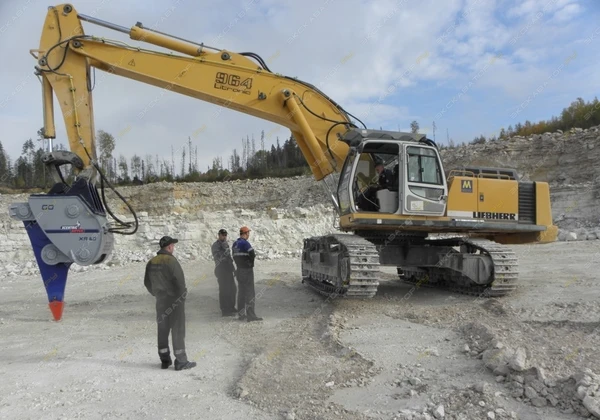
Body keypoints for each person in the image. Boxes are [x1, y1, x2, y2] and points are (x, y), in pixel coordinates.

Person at [144, 235, 197, 371]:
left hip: (160, 302)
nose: (173, 247)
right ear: (169, 247)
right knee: (178, 330)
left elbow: (147, 283)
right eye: (173, 245)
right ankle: (181, 361)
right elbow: (179, 282)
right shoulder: (171, 261)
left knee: (162, 330)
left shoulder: (152, 262)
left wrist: (156, 294)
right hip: (174, 302)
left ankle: (165, 360)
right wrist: (181, 298)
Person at [232, 226, 263, 322]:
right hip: (247, 270)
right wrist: (250, 263)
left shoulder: (235, 244)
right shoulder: (245, 243)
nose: (248, 235)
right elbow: (252, 254)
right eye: (248, 233)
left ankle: (241, 315)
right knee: (249, 293)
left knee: (241, 293)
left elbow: (234, 256)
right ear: (246, 233)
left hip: (239, 270)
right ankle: (251, 316)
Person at [211, 228, 238, 317]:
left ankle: (231, 307)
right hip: (221, 270)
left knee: (232, 289)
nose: (224, 236)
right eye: (222, 235)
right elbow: (218, 257)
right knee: (224, 290)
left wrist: (233, 268)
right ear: (219, 235)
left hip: (228, 269)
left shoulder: (225, 244)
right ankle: (225, 310)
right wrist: (224, 249)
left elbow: (229, 257)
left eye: (225, 235)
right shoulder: (216, 245)